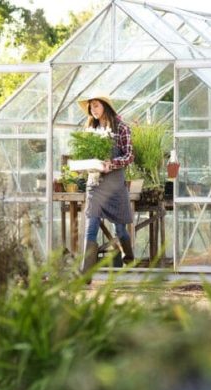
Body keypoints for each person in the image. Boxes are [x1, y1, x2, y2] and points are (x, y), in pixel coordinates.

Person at [76, 94, 135, 281]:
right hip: (95, 184)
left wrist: (113, 162)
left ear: (105, 107)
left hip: (115, 186)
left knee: (120, 230)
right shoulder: (89, 130)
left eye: (95, 105)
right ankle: (86, 274)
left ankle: (128, 256)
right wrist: (83, 166)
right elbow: (83, 155)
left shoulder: (122, 128)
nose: (92, 109)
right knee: (91, 227)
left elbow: (129, 156)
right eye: (90, 107)